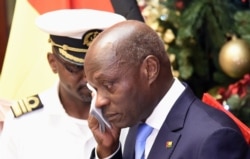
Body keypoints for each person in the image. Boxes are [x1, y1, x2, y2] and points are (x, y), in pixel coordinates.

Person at [84, 20, 250, 159]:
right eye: (95, 89)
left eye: (108, 85)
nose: (99, 102)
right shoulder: (137, 122)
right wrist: (109, 152)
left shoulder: (213, 138)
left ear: (150, 69)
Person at [0, 9, 126, 159]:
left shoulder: (128, 115)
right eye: (76, 68)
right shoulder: (23, 121)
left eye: (97, 68)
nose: (88, 78)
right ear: (53, 63)